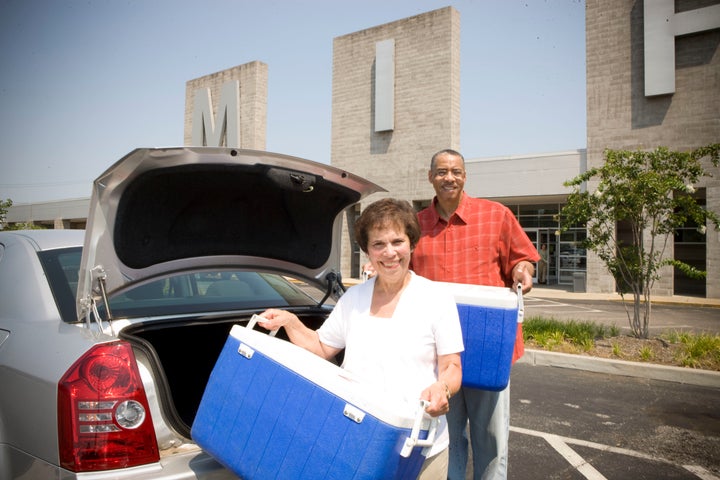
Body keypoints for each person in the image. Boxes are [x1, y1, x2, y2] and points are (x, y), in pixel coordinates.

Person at [258, 198, 464, 479]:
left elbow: (452, 365)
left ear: (412, 243)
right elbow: (320, 347)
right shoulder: (354, 298)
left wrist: (443, 388)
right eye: (378, 244)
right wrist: (291, 323)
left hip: (420, 444)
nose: (389, 252)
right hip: (358, 439)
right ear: (367, 251)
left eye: (397, 241)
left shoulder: (436, 298)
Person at [411, 149, 540, 480]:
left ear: (465, 176)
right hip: (436, 351)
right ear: (431, 177)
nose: (449, 177)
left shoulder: (495, 215)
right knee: (444, 438)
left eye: (455, 171)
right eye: (441, 171)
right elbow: (401, 272)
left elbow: (522, 258)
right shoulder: (416, 225)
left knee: (491, 439)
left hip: (487, 347)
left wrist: (522, 271)